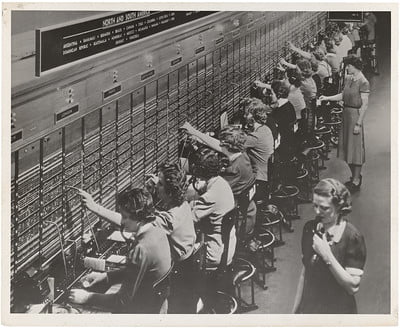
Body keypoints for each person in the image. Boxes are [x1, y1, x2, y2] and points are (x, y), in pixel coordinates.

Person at [69, 188, 172, 313]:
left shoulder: (140, 250)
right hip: (159, 307)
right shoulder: (159, 232)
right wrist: (106, 276)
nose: (122, 221)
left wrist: (86, 297)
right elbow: (142, 272)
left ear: (138, 217)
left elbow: (121, 302)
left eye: (125, 217)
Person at [79, 163, 196, 264]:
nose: (156, 185)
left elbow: (132, 220)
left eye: (160, 184)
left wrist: (95, 207)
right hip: (187, 253)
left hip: (179, 266)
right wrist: (156, 186)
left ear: (170, 192)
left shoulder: (169, 219)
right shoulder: (181, 202)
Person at [293, 178, 366, 314]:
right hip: (311, 307)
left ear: (339, 207)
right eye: (315, 205)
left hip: (338, 311)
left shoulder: (352, 237)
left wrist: (327, 255)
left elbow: (352, 286)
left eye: (324, 208)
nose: (317, 212)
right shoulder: (310, 228)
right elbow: (305, 273)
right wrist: (295, 311)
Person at [180, 123, 257, 238]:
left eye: (221, 142)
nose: (219, 143)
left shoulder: (233, 170)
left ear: (226, 145)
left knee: (190, 194)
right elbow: (218, 146)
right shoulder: (242, 155)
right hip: (249, 209)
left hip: (238, 219)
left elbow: (212, 189)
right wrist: (194, 132)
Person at [319, 55, 370, 192]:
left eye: (348, 65)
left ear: (355, 66)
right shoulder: (348, 78)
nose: (346, 68)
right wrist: (327, 98)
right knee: (347, 148)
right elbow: (343, 95)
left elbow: (364, 106)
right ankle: (354, 176)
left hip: (354, 117)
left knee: (355, 150)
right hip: (346, 115)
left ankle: (356, 179)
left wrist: (358, 124)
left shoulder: (363, 82)